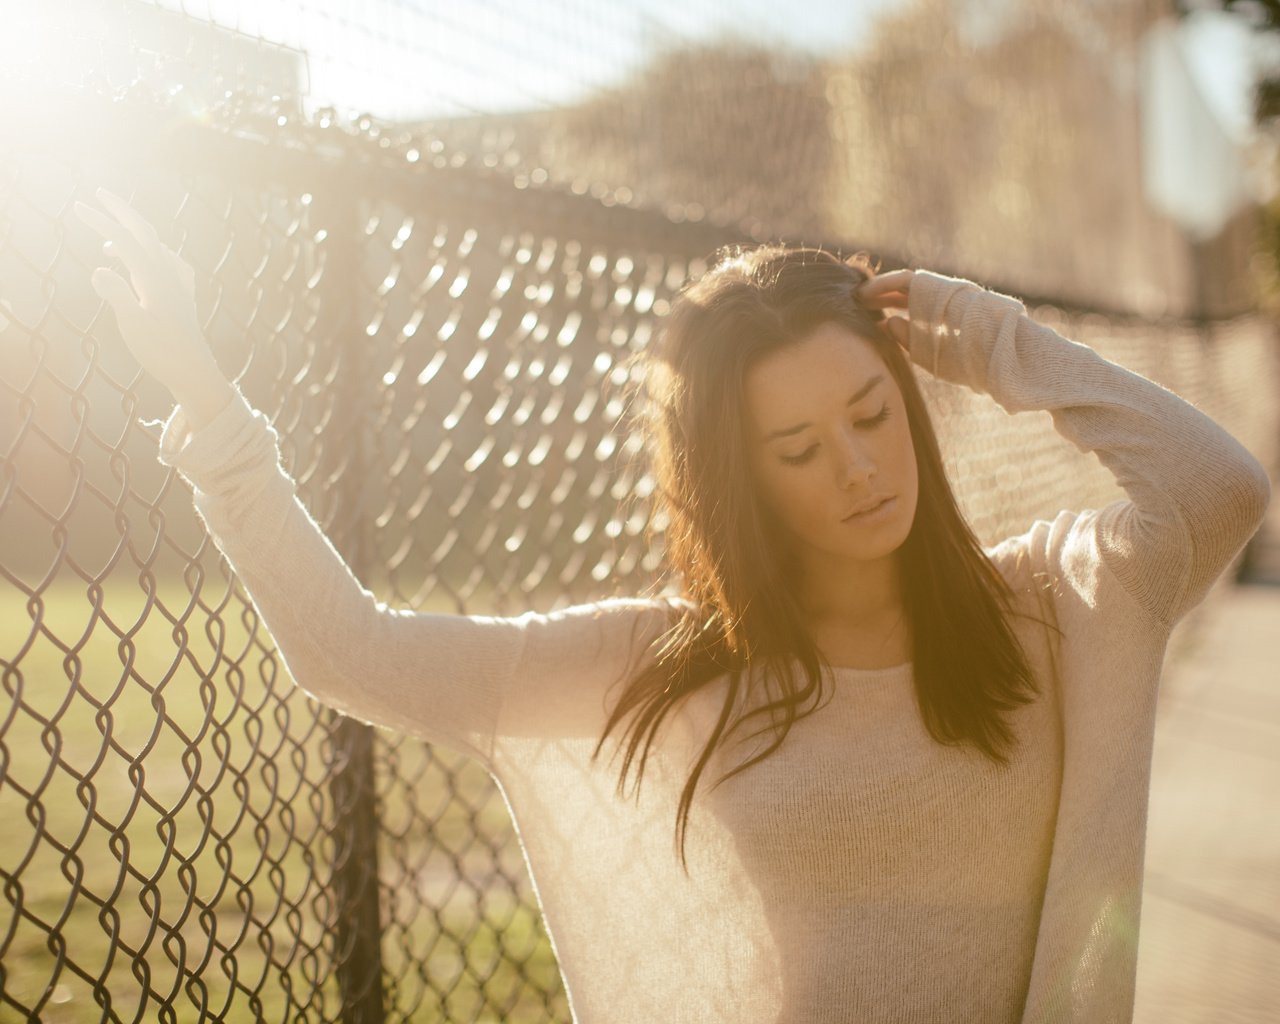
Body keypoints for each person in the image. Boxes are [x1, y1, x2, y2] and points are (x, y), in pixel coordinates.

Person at [75, 187, 1271, 1023]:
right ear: (739, 485)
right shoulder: (672, 663)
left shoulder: (1048, 604)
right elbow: (354, 653)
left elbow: (1218, 484)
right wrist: (209, 406)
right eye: (796, 448)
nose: (857, 468)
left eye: (871, 413)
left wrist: (986, 337)